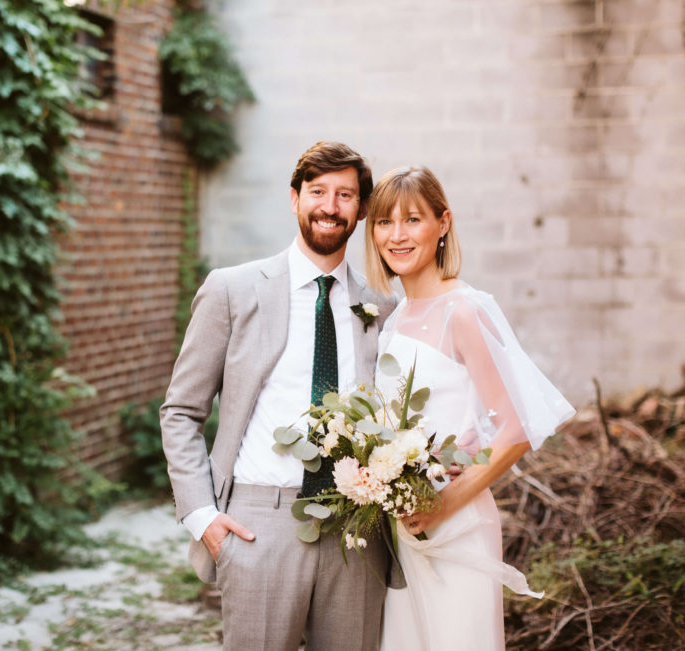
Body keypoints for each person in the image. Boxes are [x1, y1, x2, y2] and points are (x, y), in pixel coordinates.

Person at [159, 141, 398, 651]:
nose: (330, 206)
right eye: (318, 191)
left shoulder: (381, 306)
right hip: (257, 524)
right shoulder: (232, 290)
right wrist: (202, 517)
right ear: (294, 198)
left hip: (355, 530)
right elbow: (181, 411)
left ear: (360, 208)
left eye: (345, 195)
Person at [365, 165, 576, 650]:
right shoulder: (394, 319)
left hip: (456, 521)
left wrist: (446, 503)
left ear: (443, 223)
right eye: (383, 222)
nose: (396, 235)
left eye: (412, 220)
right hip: (405, 527)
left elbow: (516, 429)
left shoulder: (464, 310)